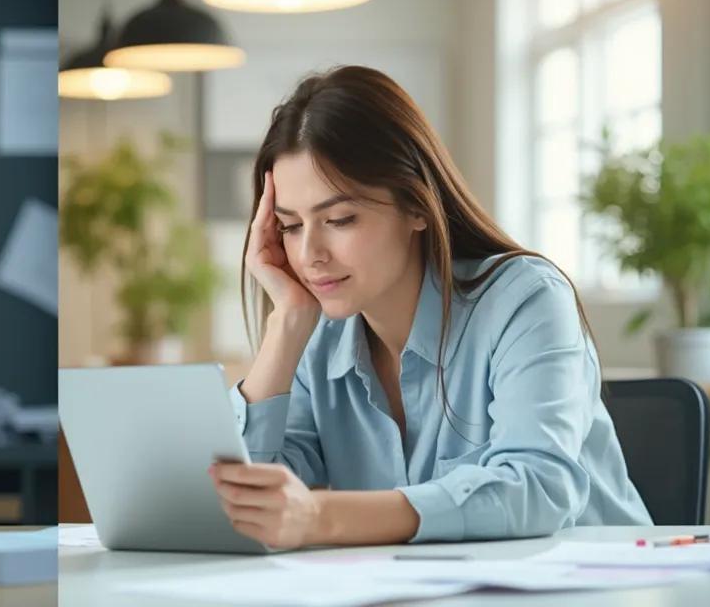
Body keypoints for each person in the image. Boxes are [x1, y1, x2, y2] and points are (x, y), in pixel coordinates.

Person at [209, 65, 651, 548]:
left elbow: (539, 486)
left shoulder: (525, 299)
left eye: (339, 218)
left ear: (417, 206)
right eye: (291, 226)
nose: (310, 254)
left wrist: (321, 515)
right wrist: (285, 326)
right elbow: (236, 507)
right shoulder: (316, 338)